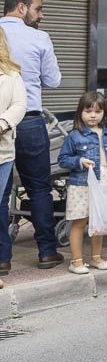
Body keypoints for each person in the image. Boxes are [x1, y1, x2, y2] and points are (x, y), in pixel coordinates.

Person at [0, 0, 63, 270]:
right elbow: (53, 80)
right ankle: (47, 251)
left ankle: (2, 260)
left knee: (1, 193)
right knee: (38, 187)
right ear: (22, 8)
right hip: (28, 120)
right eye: (38, 9)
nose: (42, 15)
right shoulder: (39, 38)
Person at [57, 91, 107, 275]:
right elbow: (63, 159)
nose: (93, 115)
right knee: (79, 222)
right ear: (80, 113)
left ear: (104, 113)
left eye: (98, 111)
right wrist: (80, 161)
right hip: (81, 185)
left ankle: (96, 257)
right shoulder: (75, 136)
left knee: (98, 222)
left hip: (103, 184)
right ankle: (76, 261)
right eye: (88, 111)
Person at [0, 28, 28, 284]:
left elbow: (20, 105)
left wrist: (3, 123)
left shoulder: (11, 74)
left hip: (1, 152)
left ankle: (2, 258)